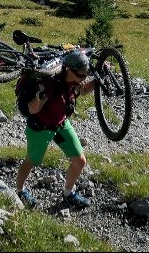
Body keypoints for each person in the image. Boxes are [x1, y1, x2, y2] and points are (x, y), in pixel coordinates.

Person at [14, 48, 96, 209]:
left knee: (79, 161)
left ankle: (68, 193)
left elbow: (84, 90)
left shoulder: (74, 80)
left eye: (85, 74)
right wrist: (41, 95)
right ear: (68, 69)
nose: (83, 78)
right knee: (31, 161)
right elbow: (33, 110)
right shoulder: (50, 83)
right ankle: (19, 191)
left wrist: (100, 79)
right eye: (80, 75)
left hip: (60, 124)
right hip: (41, 128)